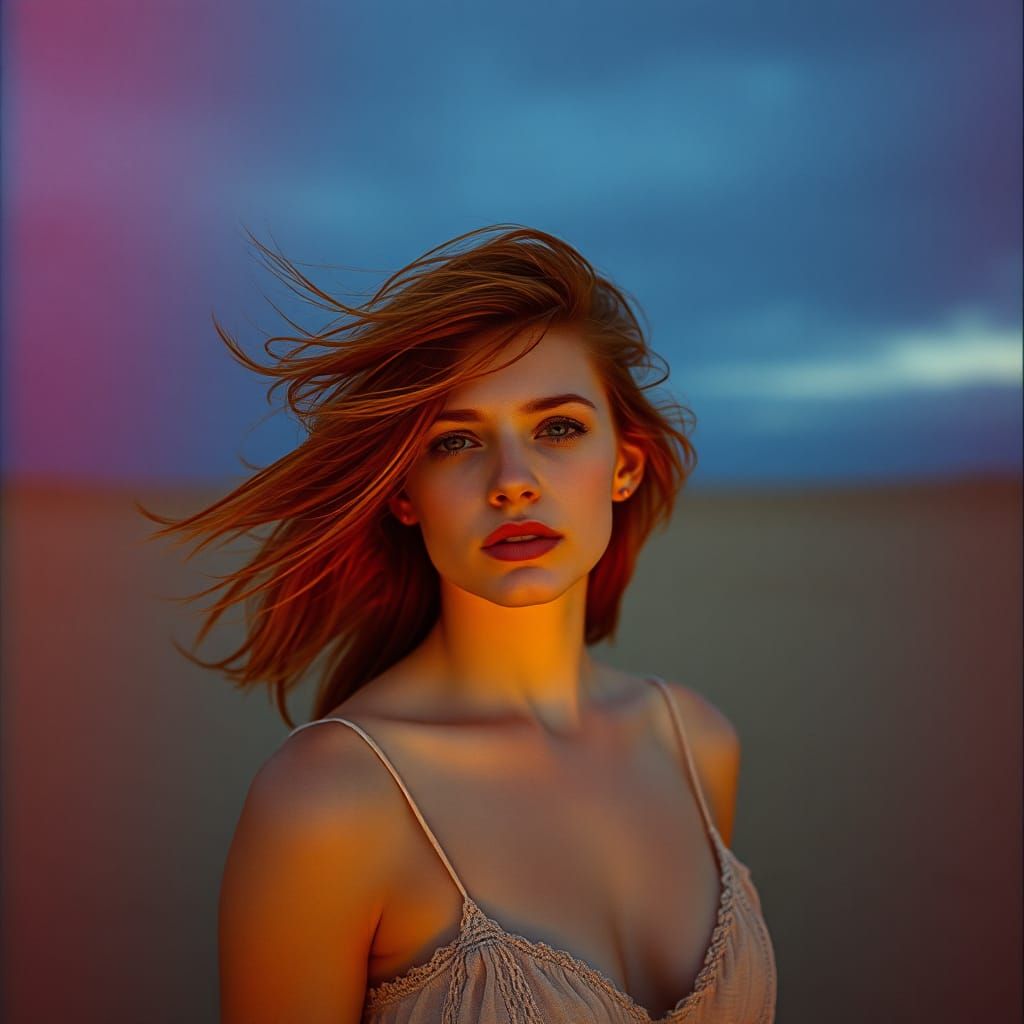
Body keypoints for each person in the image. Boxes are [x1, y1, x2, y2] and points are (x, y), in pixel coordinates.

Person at [140, 224, 776, 1022]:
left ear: (624, 466)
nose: (513, 482)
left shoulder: (696, 745)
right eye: (457, 441)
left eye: (558, 429)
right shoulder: (332, 801)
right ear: (404, 494)